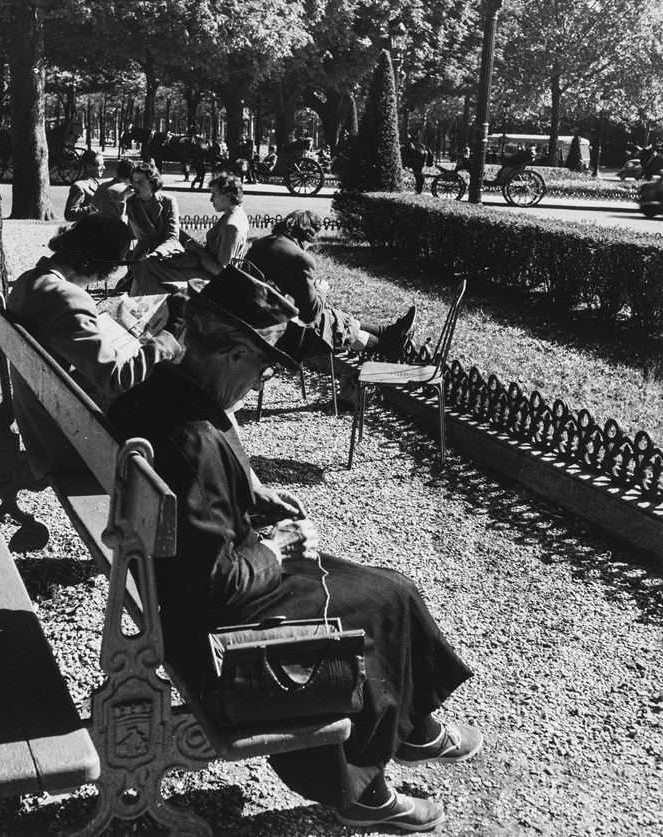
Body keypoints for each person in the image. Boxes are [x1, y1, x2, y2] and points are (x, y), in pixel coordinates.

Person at [107, 266, 481, 832]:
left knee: (381, 588)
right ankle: (366, 788)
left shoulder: (164, 393)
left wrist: (252, 496)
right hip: (208, 626)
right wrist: (276, 548)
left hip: (171, 586)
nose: (256, 384)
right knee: (388, 598)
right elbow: (216, 586)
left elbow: (196, 503)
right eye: (259, 368)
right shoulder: (194, 438)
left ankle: (410, 728)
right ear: (232, 352)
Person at [7, 214, 183, 479]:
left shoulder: (29, 280)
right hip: (70, 442)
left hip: (41, 425)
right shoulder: (66, 298)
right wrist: (165, 341)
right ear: (101, 265)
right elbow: (116, 379)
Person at [245, 210, 416, 362]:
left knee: (333, 316)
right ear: (308, 236)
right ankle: (390, 349)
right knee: (331, 322)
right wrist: (321, 290)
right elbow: (310, 314)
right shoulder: (300, 259)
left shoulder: (260, 245)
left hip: (254, 318)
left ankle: (389, 332)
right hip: (283, 333)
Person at [123, 162, 185, 295]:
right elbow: (121, 231)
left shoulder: (168, 201)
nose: (135, 185)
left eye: (140, 182)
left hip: (166, 254)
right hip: (142, 256)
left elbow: (173, 237)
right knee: (138, 293)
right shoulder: (129, 202)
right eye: (133, 181)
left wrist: (154, 255)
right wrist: (122, 201)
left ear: (153, 183)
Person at [64, 149, 105, 221]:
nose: (104, 168)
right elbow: (69, 214)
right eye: (100, 165)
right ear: (89, 167)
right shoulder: (79, 186)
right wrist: (91, 209)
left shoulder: (96, 182)